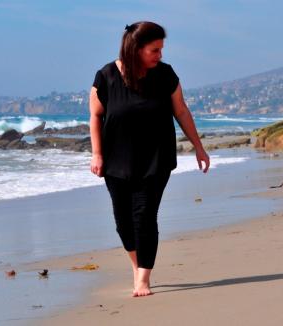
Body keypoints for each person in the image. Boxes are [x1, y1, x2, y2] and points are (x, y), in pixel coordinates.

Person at [89, 21, 210, 297]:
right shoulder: (106, 76)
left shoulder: (165, 75)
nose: (160, 55)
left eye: (161, 49)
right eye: (154, 50)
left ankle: (143, 278)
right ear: (135, 49)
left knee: (144, 215)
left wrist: (199, 148)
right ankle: (137, 264)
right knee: (123, 221)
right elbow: (95, 115)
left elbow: (181, 111)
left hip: (156, 158)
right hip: (115, 161)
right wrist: (97, 154)